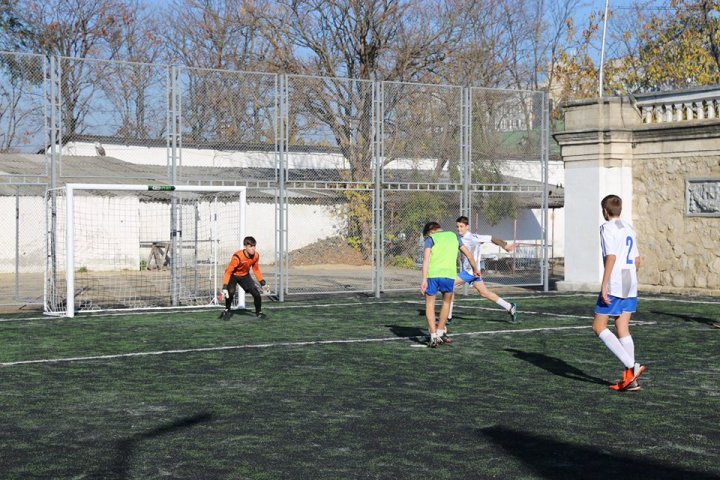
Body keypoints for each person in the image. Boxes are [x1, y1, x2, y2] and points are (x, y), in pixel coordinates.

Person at [592, 195, 646, 391]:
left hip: (616, 280)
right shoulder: (628, 227)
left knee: (599, 327)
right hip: (630, 279)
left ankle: (632, 367)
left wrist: (604, 284)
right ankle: (631, 381)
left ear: (605, 211)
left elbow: (612, 256)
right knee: (622, 327)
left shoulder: (607, 228)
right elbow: (638, 260)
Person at [421, 221, 482, 348]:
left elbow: (426, 259)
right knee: (446, 303)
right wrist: (476, 270)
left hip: (432, 275)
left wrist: (423, 279)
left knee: (430, 304)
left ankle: (433, 336)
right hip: (449, 275)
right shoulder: (454, 236)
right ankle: (440, 332)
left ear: (430, 231)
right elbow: (469, 255)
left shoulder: (431, 238)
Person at [448, 216, 518, 324]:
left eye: (461, 226)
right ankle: (509, 307)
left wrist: (505, 245)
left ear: (467, 227)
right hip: (473, 272)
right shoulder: (458, 238)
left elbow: (491, 238)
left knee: (449, 285)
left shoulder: (473, 238)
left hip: (470, 272)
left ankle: (448, 317)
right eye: (457, 226)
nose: (459, 229)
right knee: (485, 293)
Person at [221, 236, 268, 321]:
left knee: (256, 294)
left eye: (254, 246)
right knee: (230, 292)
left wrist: (262, 281)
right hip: (233, 275)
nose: (253, 248)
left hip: (245, 276)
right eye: (251, 246)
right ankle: (227, 310)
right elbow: (228, 271)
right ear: (245, 246)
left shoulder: (256, 256)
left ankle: (259, 312)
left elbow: (256, 269)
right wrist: (224, 286)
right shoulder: (237, 257)